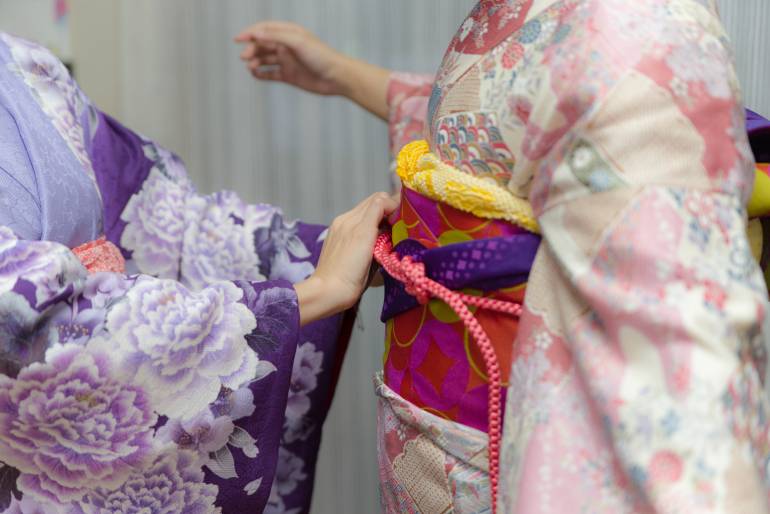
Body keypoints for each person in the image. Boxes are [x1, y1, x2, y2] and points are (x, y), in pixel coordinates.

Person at [237, 1, 770, 512]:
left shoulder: (636, 25)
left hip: (509, 447)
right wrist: (342, 76)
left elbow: (680, 361)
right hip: (440, 439)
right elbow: (499, 121)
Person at [0, 33, 396, 514]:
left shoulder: (25, 63)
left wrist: (315, 253)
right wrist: (310, 295)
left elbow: (155, 221)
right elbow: (20, 314)